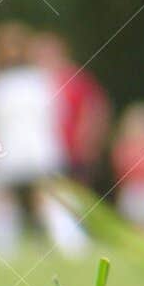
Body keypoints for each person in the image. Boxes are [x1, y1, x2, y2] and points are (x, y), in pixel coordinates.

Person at [0, 22, 87, 257]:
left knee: (44, 199)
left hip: (26, 151)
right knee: (9, 201)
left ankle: (69, 246)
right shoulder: (26, 82)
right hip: (20, 152)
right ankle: (4, 250)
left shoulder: (22, 83)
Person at [33, 31, 111, 184]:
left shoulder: (75, 80)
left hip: (74, 155)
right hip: (45, 156)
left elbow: (95, 111)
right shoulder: (33, 83)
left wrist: (88, 145)